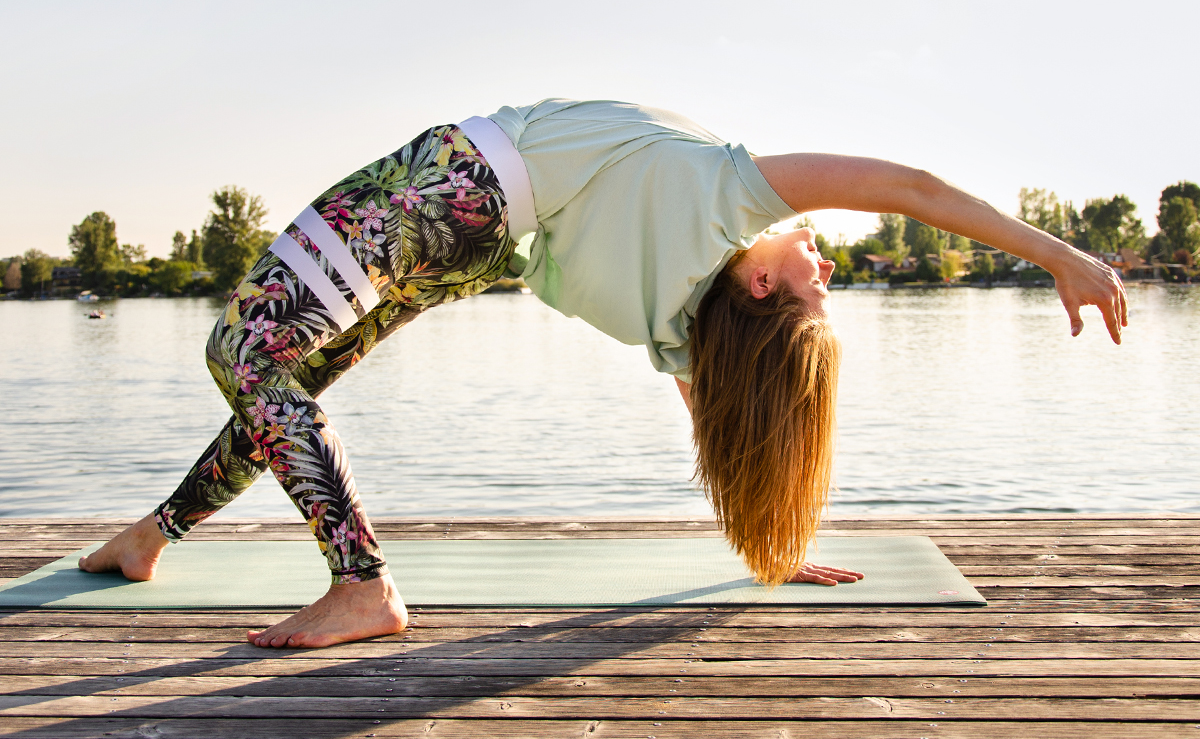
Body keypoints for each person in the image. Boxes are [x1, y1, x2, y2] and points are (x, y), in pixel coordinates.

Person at [78, 99, 1127, 648]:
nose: (827, 258)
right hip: (478, 244)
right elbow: (726, 433)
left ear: (762, 283)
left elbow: (904, 186)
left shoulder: (735, 197)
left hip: (462, 186)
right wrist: (769, 543)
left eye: (816, 280)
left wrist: (1061, 255)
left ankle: (361, 583)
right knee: (285, 381)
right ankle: (151, 535)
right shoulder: (685, 328)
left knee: (244, 353)